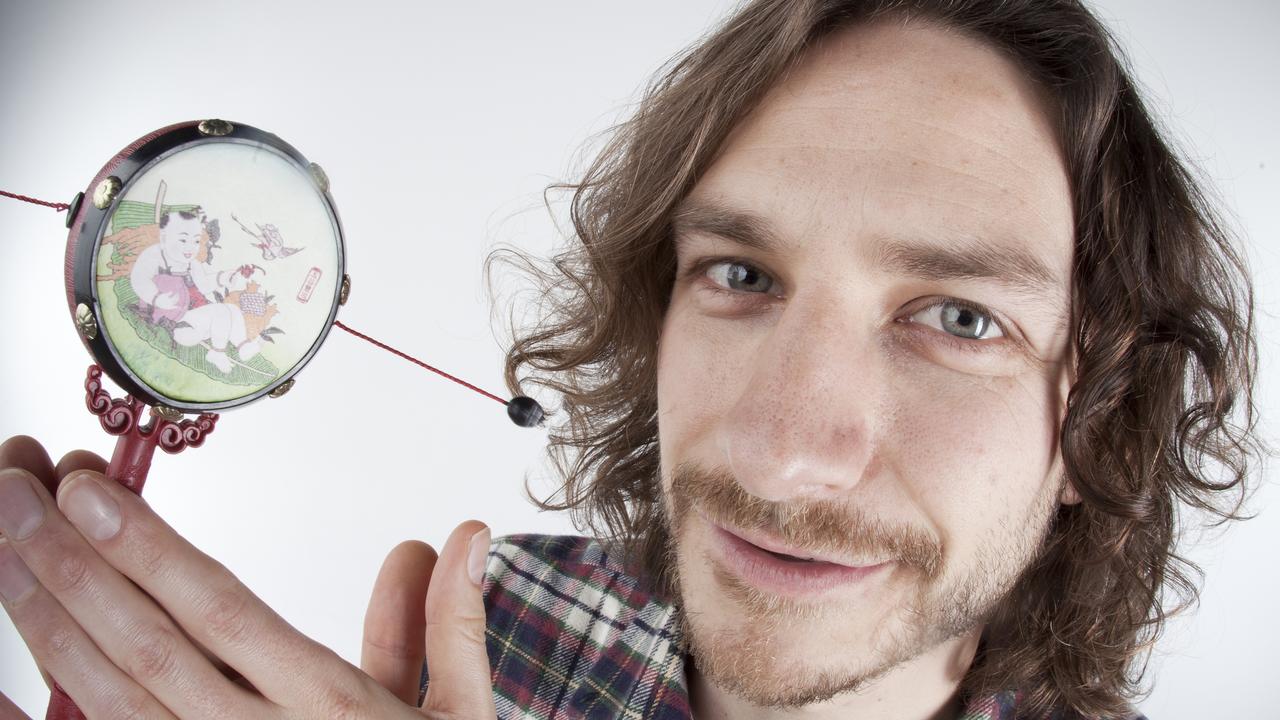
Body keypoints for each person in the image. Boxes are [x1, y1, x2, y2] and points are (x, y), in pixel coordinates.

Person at [0, 0, 1261, 718]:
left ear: (1099, 412)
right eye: (740, 276)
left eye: (961, 317)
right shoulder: (499, 630)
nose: (783, 447)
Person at [130, 208, 263, 373]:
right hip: (173, 320)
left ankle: (243, 345)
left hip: (195, 317)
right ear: (164, 238)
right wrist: (157, 298)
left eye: (195, 241)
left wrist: (223, 277)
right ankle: (217, 353)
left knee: (232, 310)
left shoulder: (191, 263)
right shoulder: (153, 256)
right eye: (183, 240)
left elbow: (204, 284)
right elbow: (139, 279)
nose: (190, 248)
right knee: (220, 311)